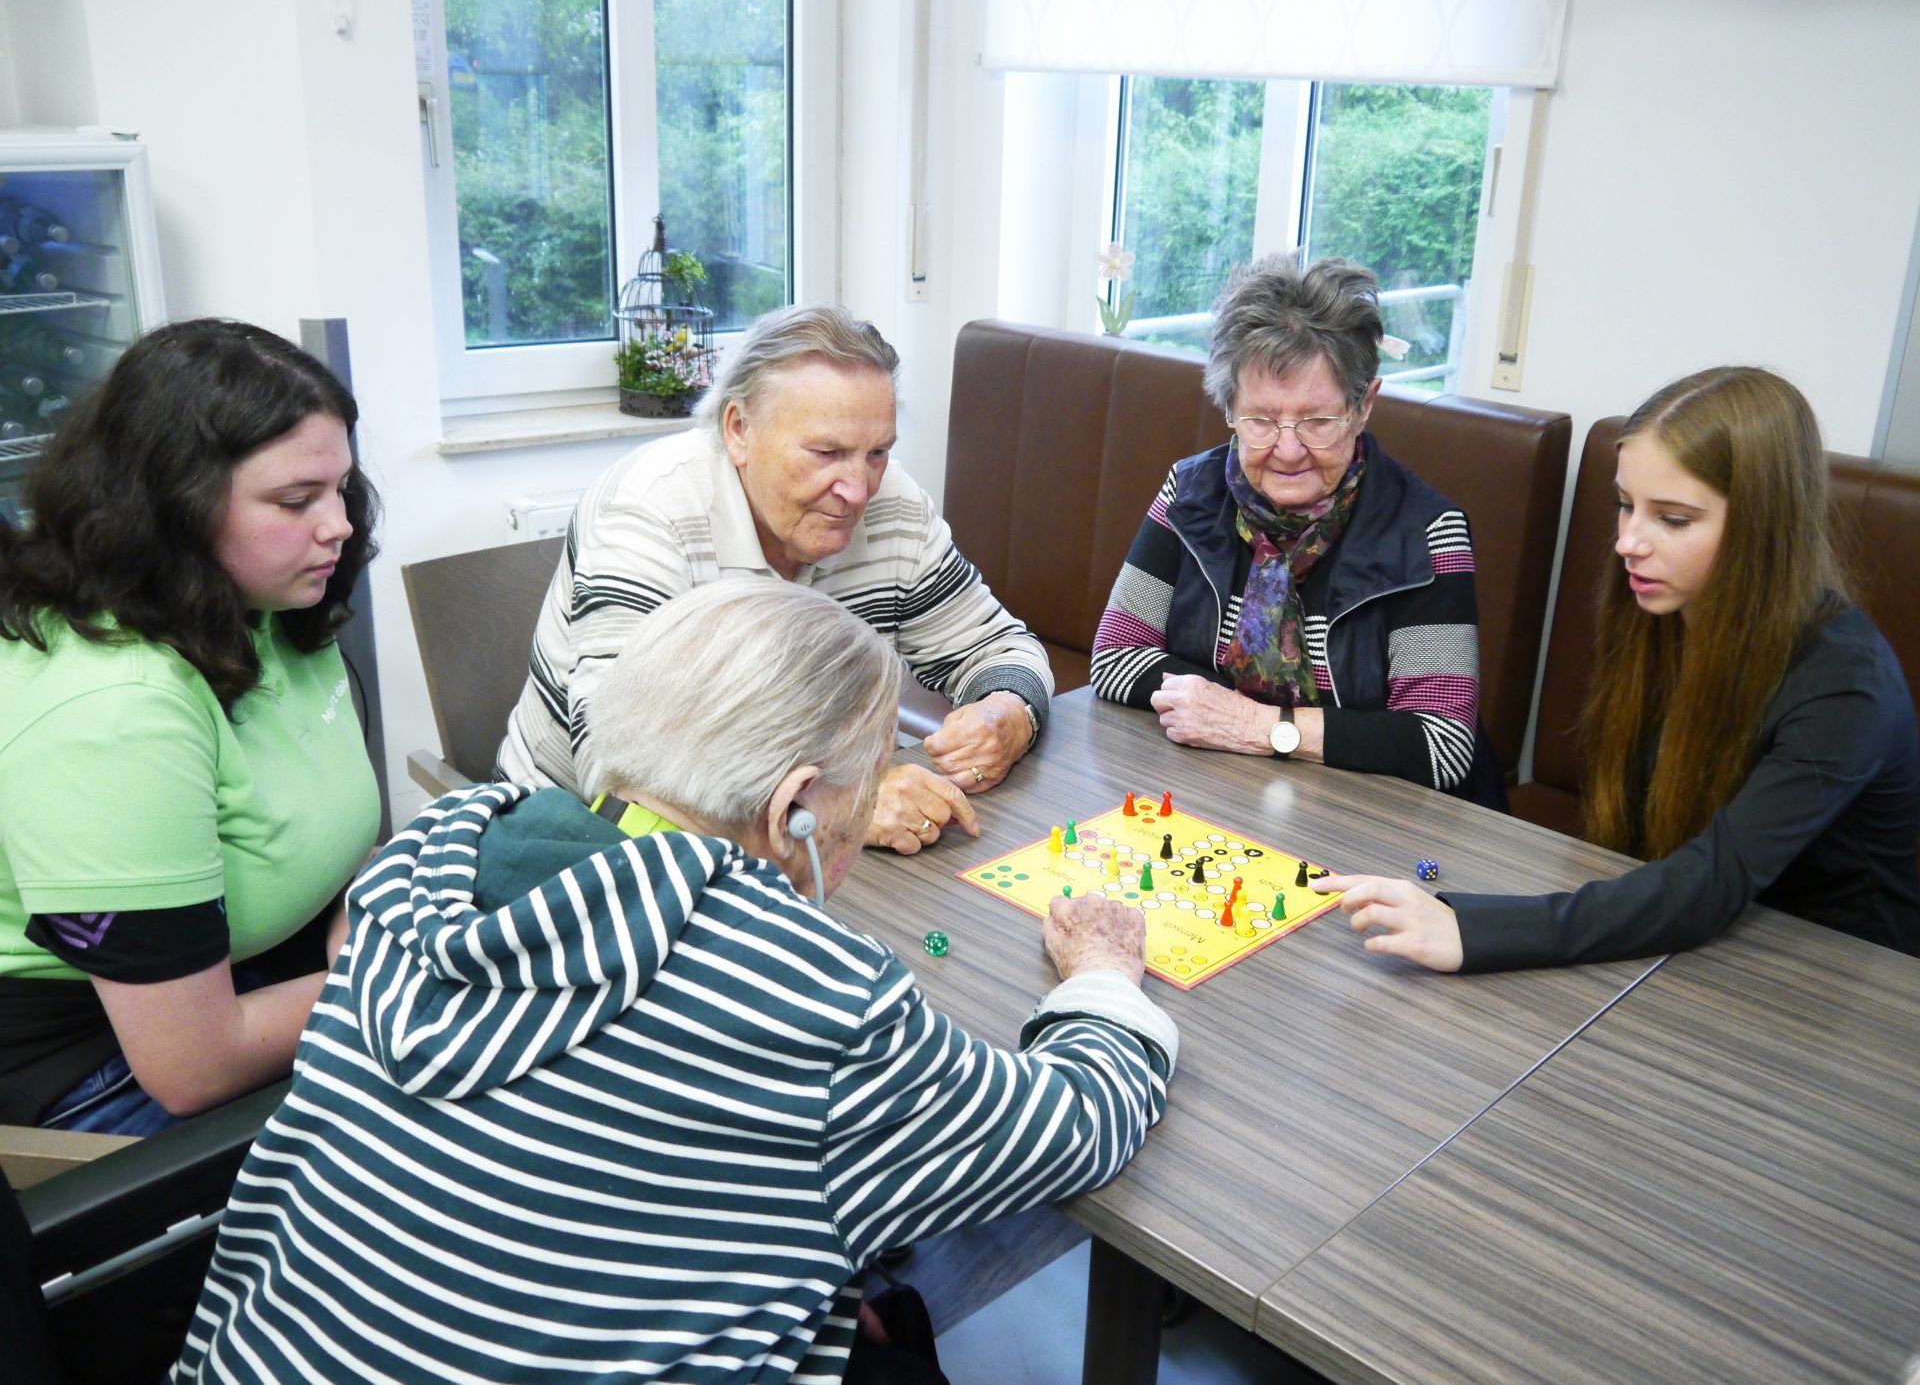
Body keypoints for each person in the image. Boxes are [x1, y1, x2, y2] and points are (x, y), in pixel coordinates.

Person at [175, 578, 1177, 1385]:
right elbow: (1075, 1128)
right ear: (795, 808)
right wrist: (1101, 977)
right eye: (868, 780)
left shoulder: (425, 856)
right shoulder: (811, 997)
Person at [1323, 366, 1920, 970]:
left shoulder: (1847, 684)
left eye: (1673, 519)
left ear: (1765, 526)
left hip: (1839, 973)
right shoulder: (1661, 606)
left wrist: (1468, 928)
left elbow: (1710, 880)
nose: (1629, 541)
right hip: (1693, 934)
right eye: (1625, 505)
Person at [0, 320, 381, 1136]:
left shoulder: (271, 603)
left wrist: (364, 903)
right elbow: (193, 1067)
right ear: (174, 507)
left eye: (341, 487)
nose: (339, 525)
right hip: (104, 1052)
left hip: (271, 970)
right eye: (296, 500)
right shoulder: (114, 711)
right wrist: (398, 977)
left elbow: (326, 825)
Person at [498, 303, 1053, 855]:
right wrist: (841, 801)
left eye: (877, 452)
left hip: (800, 844)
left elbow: (999, 646)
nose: (858, 490)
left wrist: (1006, 711)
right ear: (739, 429)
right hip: (580, 842)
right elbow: (615, 762)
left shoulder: (895, 505)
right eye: (827, 452)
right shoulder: (649, 509)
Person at [1090, 252, 1505, 808]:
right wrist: (1269, 730)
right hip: (1224, 794)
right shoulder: (1189, 493)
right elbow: (1116, 660)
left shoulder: (1428, 532)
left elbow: (1441, 744)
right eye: (1261, 420)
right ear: (1229, 407)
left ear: (1364, 406)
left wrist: (1260, 727)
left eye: (1317, 421)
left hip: (1373, 821)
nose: (1287, 450)